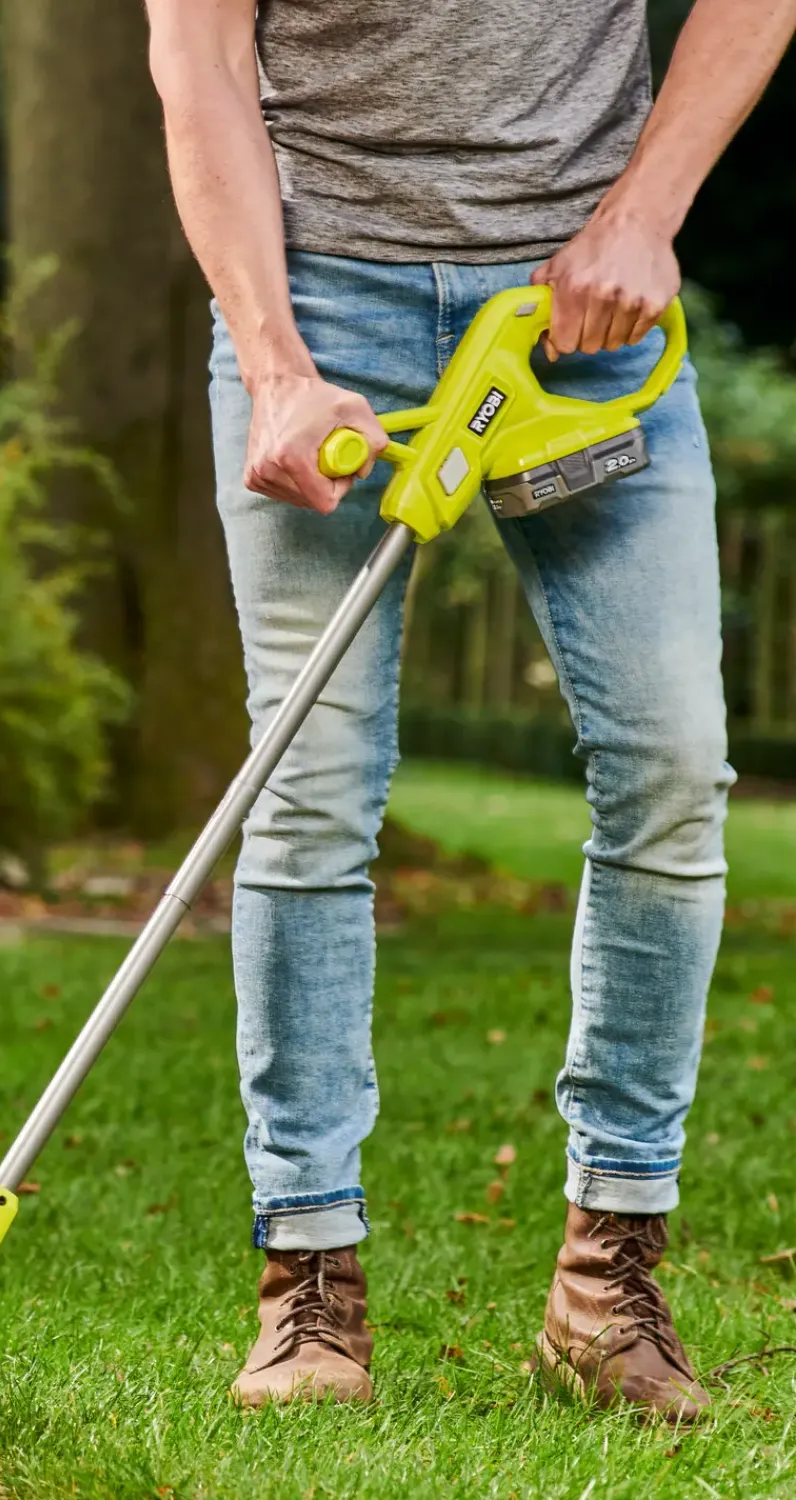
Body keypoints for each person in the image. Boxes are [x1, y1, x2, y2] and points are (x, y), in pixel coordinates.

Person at [144, 0, 796, 1421]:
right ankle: (308, 1284)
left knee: (676, 768)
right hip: (323, 305)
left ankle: (607, 1283)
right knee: (309, 791)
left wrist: (645, 211)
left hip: (589, 304)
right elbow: (197, 57)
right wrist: (272, 365)